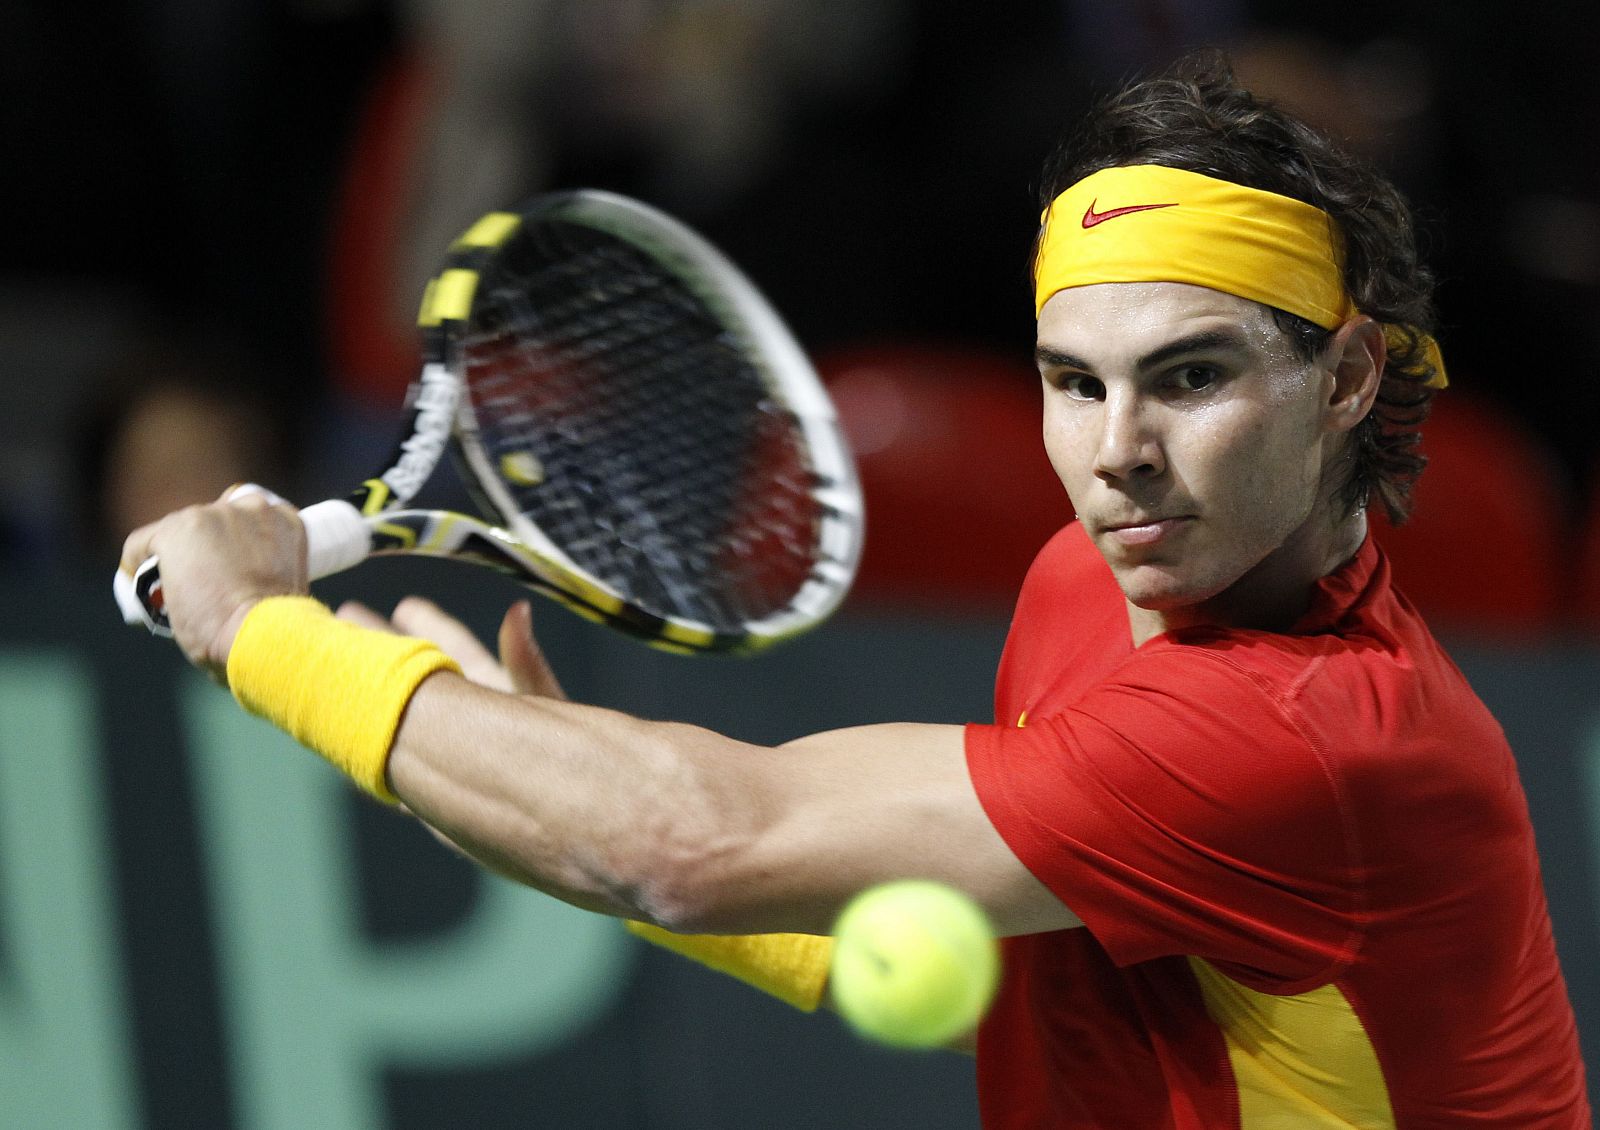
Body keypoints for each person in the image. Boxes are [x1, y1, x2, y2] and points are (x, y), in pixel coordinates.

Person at [120, 55, 1589, 1128]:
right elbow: (1028, 990)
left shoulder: (1310, 739)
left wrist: (258, 626)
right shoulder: (1091, 580)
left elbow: (699, 841)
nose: (1117, 453)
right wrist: (525, 779)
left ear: (1343, 377)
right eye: (1073, 384)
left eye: (1191, 376)